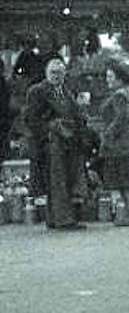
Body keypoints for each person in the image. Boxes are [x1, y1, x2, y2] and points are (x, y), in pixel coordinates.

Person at [22, 58, 88, 230]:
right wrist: (51, 129)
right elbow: (30, 119)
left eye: (60, 73)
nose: (56, 76)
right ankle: (63, 220)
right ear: (46, 73)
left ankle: (55, 219)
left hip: (68, 144)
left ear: (65, 74)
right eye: (53, 73)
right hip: (50, 145)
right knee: (57, 182)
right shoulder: (37, 91)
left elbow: (76, 115)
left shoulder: (66, 92)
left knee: (64, 181)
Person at [98, 62, 129, 227]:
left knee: (125, 180)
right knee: (128, 179)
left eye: (110, 77)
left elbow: (122, 117)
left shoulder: (119, 95)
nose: (107, 80)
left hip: (121, 144)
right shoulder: (128, 92)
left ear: (119, 79)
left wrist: (108, 134)